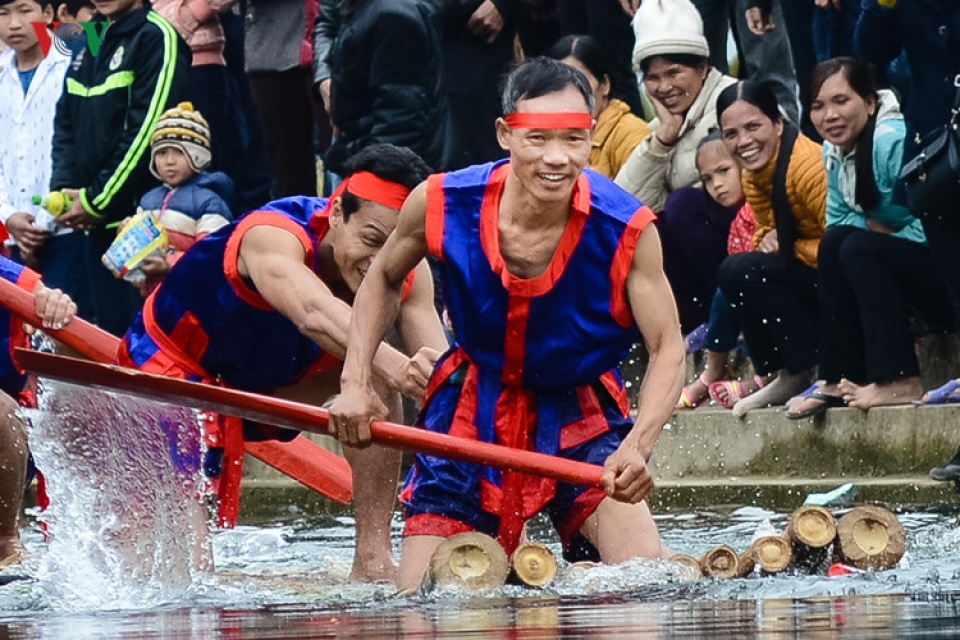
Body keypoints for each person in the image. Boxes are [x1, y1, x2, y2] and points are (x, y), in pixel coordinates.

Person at [331, 57, 685, 592]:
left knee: (642, 590)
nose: (556, 158)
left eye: (573, 139)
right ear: (504, 134)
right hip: (472, 403)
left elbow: (668, 348)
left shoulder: (628, 228)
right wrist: (355, 383)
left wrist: (637, 446)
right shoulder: (442, 201)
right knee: (424, 602)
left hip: (581, 410)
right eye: (537, 138)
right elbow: (382, 279)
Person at [118, 143, 447, 581]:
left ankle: (371, 557)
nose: (379, 263)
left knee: (380, 382)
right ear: (335, 215)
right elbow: (314, 312)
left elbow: (442, 371)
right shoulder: (272, 234)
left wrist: (454, 393)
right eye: (370, 241)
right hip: (174, 365)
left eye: (394, 249)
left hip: (272, 382)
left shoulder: (407, 267)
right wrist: (398, 368)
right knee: (188, 575)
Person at [781, 58, 952, 418]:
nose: (829, 115)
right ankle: (837, 378)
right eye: (817, 106)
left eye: (841, 101)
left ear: (871, 103)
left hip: (948, 280)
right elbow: (838, 222)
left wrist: (887, 238)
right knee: (836, 244)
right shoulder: (833, 149)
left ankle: (899, 378)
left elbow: (939, 225)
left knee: (857, 248)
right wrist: (876, 235)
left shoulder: (892, 142)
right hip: (906, 269)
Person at [49, 0, 190, 336]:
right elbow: (66, 118)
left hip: (141, 225)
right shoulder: (91, 37)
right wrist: (66, 190)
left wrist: (97, 199)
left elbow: (146, 133)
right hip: (91, 224)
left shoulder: (157, 35)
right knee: (104, 338)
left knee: (143, 343)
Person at [614, 0, 738, 335]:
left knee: (681, 206)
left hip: (748, 245)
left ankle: (733, 316)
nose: (664, 87)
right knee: (644, 231)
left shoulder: (733, 103)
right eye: (652, 78)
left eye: (673, 73)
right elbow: (622, 205)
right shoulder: (663, 127)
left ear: (702, 67)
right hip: (702, 266)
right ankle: (692, 327)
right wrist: (663, 140)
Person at [715, 80, 826, 416]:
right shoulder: (754, 173)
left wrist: (788, 246)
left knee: (740, 270)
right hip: (809, 265)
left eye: (753, 127)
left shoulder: (809, 167)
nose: (743, 142)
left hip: (839, 279)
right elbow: (766, 226)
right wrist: (767, 238)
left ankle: (820, 368)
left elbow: (839, 242)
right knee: (736, 271)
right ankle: (787, 372)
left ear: (778, 123)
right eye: (731, 133)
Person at [675, 131, 772, 410]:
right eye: (707, 179)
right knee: (729, 288)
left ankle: (725, 375)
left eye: (724, 171)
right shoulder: (737, 224)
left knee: (732, 286)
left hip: (784, 302)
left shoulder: (764, 206)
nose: (716, 185)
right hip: (753, 309)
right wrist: (694, 338)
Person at [0, 257, 78, 567]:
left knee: (4, 411)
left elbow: (79, 360)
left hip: (9, 436)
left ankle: (4, 541)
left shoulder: (16, 281)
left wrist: (59, 312)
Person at [317, 0, 453, 176]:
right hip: (366, 152)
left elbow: (399, 125)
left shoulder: (391, 16)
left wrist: (348, 157)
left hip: (389, 174)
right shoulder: (366, 10)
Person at [124, 102, 232, 296]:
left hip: (194, 300)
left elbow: (211, 257)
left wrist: (168, 264)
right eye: (162, 153)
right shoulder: (148, 200)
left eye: (179, 152)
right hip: (152, 299)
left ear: (199, 155)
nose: (169, 161)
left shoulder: (210, 202)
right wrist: (126, 239)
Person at [0, 0, 72, 270]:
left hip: (67, 229)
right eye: (3, 14)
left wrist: (42, 221)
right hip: (12, 234)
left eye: (24, 10)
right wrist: (8, 216)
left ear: (48, 13)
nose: (14, 23)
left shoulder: (72, 65)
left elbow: (77, 148)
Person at [545, 34, 649, 179]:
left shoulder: (631, 133)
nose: (571, 94)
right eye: (560, 84)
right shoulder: (547, 133)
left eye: (581, 82)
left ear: (605, 84)